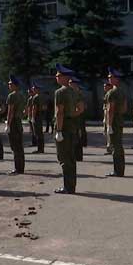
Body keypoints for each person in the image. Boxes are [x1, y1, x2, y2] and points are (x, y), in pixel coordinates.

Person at [53, 64, 81, 194]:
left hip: (63, 127)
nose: (56, 77)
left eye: (58, 75)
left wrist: (58, 130)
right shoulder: (74, 91)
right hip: (71, 126)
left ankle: (67, 187)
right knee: (71, 157)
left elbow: (59, 112)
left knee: (64, 158)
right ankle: (71, 186)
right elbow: (80, 109)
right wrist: (71, 116)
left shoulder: (60, 92)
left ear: (64, 77)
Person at [105, 67, 126, 177]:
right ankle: (120, 169)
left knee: (115, 146)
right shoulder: (121, 91)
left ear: (116, 79)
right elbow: (124, 108)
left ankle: (117, 170)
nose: (109, 79)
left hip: (114, 122)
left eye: (111, 77)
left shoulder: (112, 92)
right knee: (119, 146)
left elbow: (110, 109)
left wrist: (109, 125)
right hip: (120, 120)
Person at [6, 76, 26, 174]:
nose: (8, 85)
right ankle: (21, 167)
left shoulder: (11, 96)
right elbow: (24, 111)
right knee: (19, 146)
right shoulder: (22, 95)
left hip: (13, 122)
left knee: (15, 146)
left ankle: (17, 168)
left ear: (15, 85)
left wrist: (8, 124)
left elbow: (10, 111)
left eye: (10, 84)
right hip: (18, 121)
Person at [69, 77, 86, 162]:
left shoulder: (77, 94)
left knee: (77, 137)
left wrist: (73, 114)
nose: (69, 84)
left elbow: (80, 108)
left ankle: (78, 156)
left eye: (70, 83)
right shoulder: (72, 93)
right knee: (75, 137)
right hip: (75, 118)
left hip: (77, 118)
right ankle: (76, 155)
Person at [30, 83, 46, 154]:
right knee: (40, 133)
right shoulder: (42, 97)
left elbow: (34, 108)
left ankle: (39, 149)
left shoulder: (35, 97)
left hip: (36, 116)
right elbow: (45, 107)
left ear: (37, 89)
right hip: (40, 115)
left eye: (34, 88)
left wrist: (33, 117)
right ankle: (41, 148)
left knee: (37, 133)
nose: (32, 89)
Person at [102, 81, 113, 154]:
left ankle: (110, 148)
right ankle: (109, 147)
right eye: (104, 86)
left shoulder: (111, 95)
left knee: (109, 134)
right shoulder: (106, 94)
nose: (104, 88)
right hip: (106, 115)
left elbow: (110, 108)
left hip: (109, 116)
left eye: (106, 86)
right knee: (106, 133)